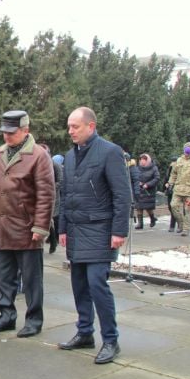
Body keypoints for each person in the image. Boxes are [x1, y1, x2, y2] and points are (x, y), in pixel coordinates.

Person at [58, 106, 131, 364]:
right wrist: (63, 227)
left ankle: (110, 340)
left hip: (100, 231)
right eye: (69, 127)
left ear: (91, 126)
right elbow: (66, 195)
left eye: (75, 127)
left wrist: (119, 231)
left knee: (97, 285)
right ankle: (84, 332)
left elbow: (122, 195)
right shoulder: (70, 155)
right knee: (79, 286)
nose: (70, 132)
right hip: (76, 231)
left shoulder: (110, 152)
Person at [0, 110, 55, 338]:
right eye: (4, 132)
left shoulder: (38, 156)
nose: (6, 136)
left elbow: (46, 194)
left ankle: (34, 320)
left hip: (27, 228)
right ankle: (6, 316)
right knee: (4, 277)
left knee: (32, 280)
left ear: (25, 130)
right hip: (3, 227)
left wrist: (40, 227)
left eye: (11, 133)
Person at [40, 143, 62, 254]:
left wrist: (51, 188)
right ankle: (52, 240)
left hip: (53, 197)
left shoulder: (55, 166)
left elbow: (60, 181)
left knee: (50, 220)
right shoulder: (38, 165)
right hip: (40, 197)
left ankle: (53, 241)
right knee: (47, 221)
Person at [134, 153, 160, 229]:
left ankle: (152, 219)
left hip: (149, 191)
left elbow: (157, 178)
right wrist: (137, 182)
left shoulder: (153, 168)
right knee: (139, 207)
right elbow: (135, 176)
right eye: (141, 160)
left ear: (147, 160)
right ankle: (140, 224)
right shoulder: (138, 168)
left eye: (143, 160)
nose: (142, 162)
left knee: (148, 208)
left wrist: (148, 184)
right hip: (139, 190)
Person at [163, 157, 179, 232]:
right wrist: (166, 185)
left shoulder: (179, 169)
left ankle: (174, 225)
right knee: (170, 207)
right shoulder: (170, 169)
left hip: (177, 190)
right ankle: (175, 224)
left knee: (174, 207)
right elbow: (166, 178)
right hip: (170, 190)